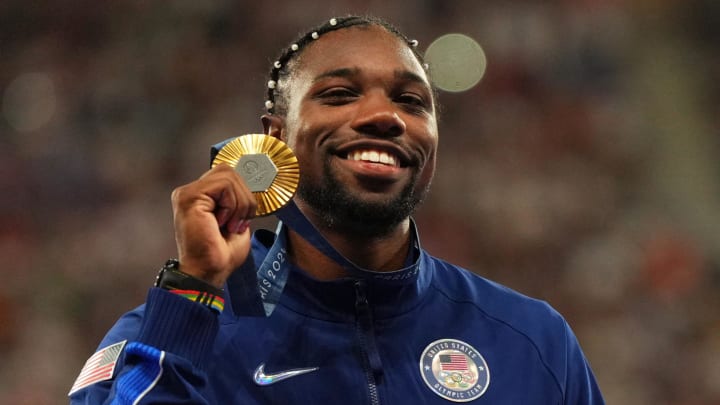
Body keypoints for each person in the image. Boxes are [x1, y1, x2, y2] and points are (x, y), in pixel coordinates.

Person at [69, 15, 605, 404]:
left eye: (412, 102)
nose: (383, 116)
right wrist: (194, 289)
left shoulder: (531, 340)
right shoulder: (171, 333)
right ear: (274, 138)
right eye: (340, 94)